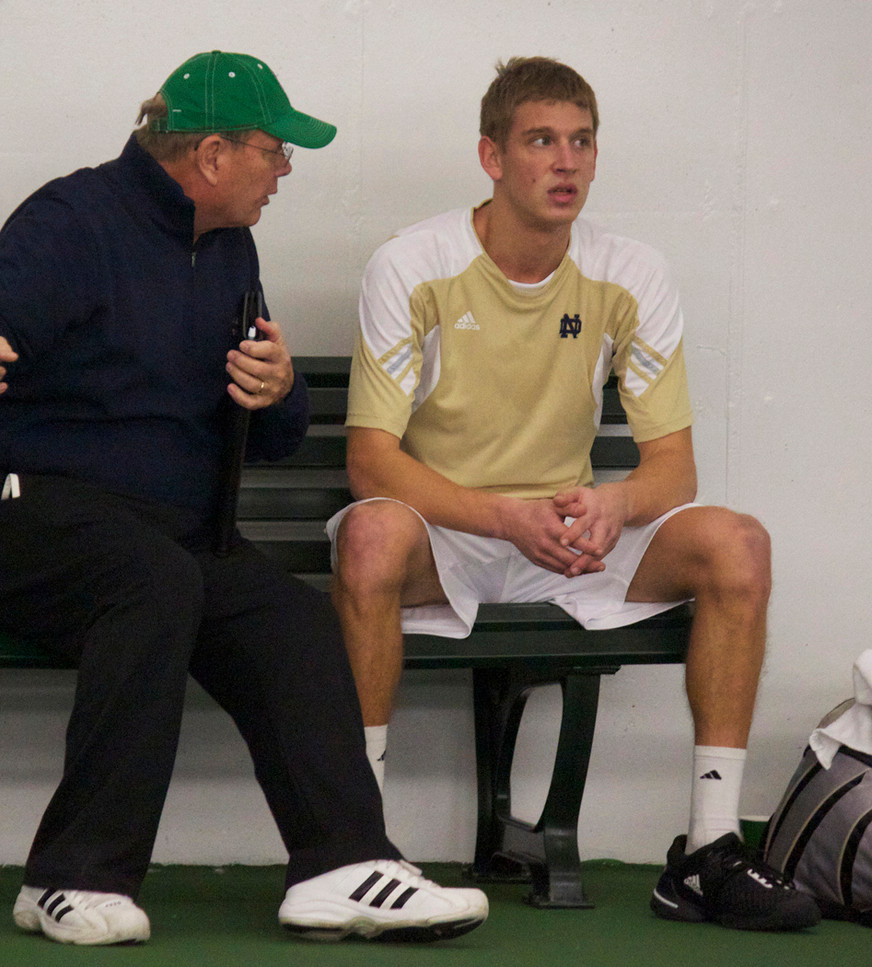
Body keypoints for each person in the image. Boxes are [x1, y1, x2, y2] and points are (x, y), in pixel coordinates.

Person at [0, 49, 488, 947]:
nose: (286, 170)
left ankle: (341, 863)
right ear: (213, 155)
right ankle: (70, 876)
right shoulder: (73, 218)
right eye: (275, 150)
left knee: (287, 618)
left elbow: (271, 431)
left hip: (162, 534)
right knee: (152, 579)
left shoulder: (230, 249)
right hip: (8, 515)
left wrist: (280, 390)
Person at [328, 55, 820, 932]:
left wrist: (615, 505)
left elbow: (673, 468)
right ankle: (356, 842)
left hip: (564, 541)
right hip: (452, 535)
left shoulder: (631, 271)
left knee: (737, 542)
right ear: (492, 156)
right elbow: (371, 462)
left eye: (582, 142)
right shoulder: (412, 263)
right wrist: (501, 516)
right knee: (368, 534)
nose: (566, 162)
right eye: (541, 141)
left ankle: (707, 851)